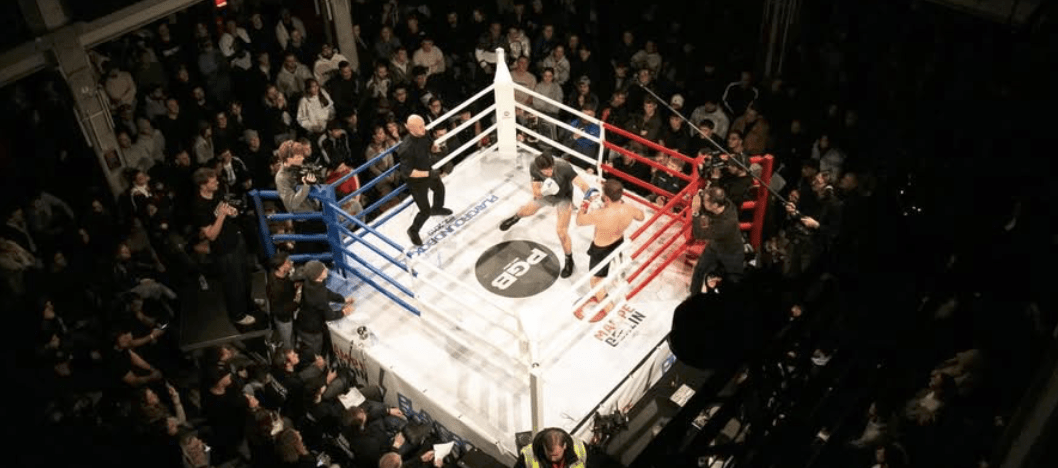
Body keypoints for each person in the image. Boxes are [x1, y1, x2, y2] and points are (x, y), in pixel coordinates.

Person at [499, 152, 593, 278]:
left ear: (553, 164)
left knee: (561, 232)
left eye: (550, 168)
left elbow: (582, 184)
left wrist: (589, 195)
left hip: (564, 198)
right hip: (546, 195)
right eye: (545, 171)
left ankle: (569, 260)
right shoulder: (534, 167)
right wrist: (544, 190)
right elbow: (536, 191)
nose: (549, 172)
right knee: (526, 211)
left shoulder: (563, 167)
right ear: (539, 169)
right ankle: (515, 218)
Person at [191, 168, 256, 326]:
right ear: (203, 185)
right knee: (234, 283)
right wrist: (221, 215)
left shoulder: (218, 193)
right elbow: (211, 235)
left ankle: (248, 304)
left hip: (236, 238)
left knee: (246, 276)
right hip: (224, 249)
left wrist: (232, 212)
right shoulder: (198, 206)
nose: (217, 183)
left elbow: (227, 209)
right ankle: (238, 315)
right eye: (213, 182)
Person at [574, 179, 644, 322]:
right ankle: (617, 278)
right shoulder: (628, 209)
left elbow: (579, 221)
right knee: (614, 265)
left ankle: (612, 313)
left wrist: (584, 205)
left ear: (606, 198)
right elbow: (641, 217)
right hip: (618, 242)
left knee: (595, 282)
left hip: (601, 249)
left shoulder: (599, 215)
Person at [397, 115, 452, 246]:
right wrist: (428, 174)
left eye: (423, 125)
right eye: (420, 127)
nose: (424, 128)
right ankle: (413, 230)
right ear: (411, 129)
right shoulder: (406, 148)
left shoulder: (424, 133)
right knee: (425, 211)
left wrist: (438, 149)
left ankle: (437, 208)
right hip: (416, 181)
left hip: (427, 169)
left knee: (439, 188)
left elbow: (430, 146)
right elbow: (408, 172)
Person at [689, 187, 744, 295]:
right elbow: (706, 219)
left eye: (705, 201)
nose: (703, 202)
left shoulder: (726, 223)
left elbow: (699, 234)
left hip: (731, 253)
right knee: (700, 269)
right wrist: (699, 195)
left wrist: (695, 212)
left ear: (714, 205)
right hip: (715, 246)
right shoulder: (726, 204)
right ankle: (694, 295)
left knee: (732, 282)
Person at [295, 260, 354, 356]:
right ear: (317, 275)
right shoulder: (318, 296)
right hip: (311, 331)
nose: (326, 269)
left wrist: (343, 299)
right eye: (323, 269)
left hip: (303, 321)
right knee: (314, 354)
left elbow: (327, 292)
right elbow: (330, 316)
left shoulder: (311, 282)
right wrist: (344, 312)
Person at [267, 252, 299, 349]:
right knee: (288, 342)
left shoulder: (280, 275)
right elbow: (279, 309)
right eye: (288, 262)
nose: (291, 263)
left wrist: (294, 287)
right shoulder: (275, 288)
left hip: (288, 314)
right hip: (284, 320)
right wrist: (296, 302)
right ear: (281, 268)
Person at [513, 427, 589, 468]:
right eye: (549, 455)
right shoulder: (528, 456)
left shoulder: (581, 448)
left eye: (556, 455)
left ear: (564, 446)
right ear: (543, 447)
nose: (552, 459)